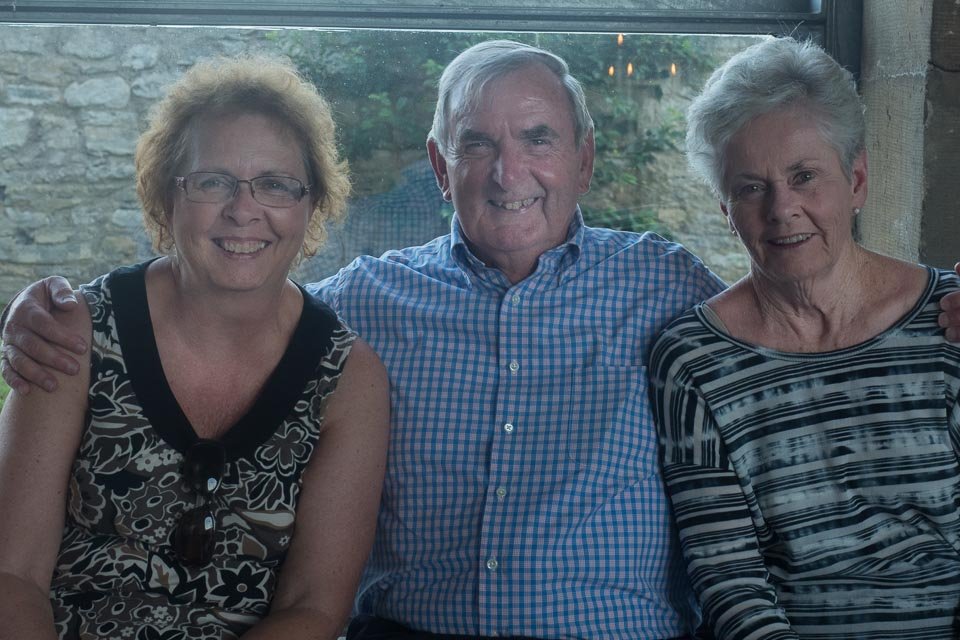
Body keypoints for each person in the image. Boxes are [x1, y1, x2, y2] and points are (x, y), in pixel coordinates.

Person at [5, 39, 960, 639]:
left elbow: (795, 322)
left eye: (537, 138)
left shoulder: (666, 286)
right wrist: (42, 314)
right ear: (438, 163)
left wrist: (941, 308)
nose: (510, 172)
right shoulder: (362, 305)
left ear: (584, 159)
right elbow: (237, 295)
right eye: (477, 143)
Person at [0, 55, 390, 639]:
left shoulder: (347, 376)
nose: (244, 209)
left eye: (276, 184)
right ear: (166, 197)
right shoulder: (74, 332)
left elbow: (314, 608)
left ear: (311, 204)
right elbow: (12, 575)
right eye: (212, 182)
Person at [649, 37, 960, 639]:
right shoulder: (694, 360)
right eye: (751, 187)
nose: (781, 209)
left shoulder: (948, 320)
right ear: (725, 210)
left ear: (857, 180)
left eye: (804, 176)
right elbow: (730, 582)